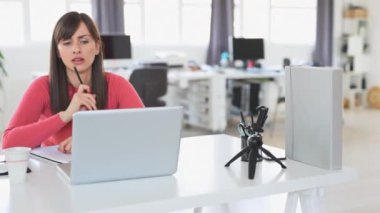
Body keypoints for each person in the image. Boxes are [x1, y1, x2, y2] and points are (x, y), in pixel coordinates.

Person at [2, 12, 144, 153]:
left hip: (107, 166)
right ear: (58, 51)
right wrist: (65, 115)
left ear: (97, 47)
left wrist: (90, 141)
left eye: (84, 41)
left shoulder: (118, 84)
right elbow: (8, 143)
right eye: (67, 43)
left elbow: (146, 132)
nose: (76, 49)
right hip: (53, 171)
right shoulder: (42, 86)